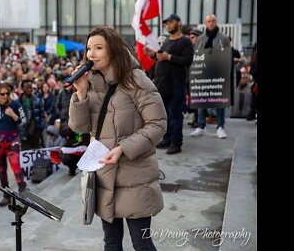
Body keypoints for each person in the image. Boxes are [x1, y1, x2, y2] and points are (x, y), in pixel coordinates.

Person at [68, 26, 167, 251]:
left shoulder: (136, 80)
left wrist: (123, 148)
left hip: (135, 175)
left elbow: (158, 124)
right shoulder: (91, 84)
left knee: (141, 242)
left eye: (99, 48)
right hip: (104, 176)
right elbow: (79, 128)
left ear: (113, 51)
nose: (91, 54)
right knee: (111, 242)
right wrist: (81, 93)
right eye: (88, 48)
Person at [144, 14, 194, 154]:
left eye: (171, 22)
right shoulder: (166, 41)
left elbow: (187, 61)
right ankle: (167, 138)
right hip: (163, 83)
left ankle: (176, 142)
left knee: (175, 113)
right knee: (164, 113)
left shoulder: (185, 41)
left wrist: (169, 57)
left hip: (176, 83)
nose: (168, 25)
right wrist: (153, 55)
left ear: (179, 23)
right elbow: (162, 58)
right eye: (166, 23)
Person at [0, 84, 28, 207]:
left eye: (7, 93)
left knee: (16, 165)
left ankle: (23, 192)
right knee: (1, 169)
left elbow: (24, 122)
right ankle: (6, 194)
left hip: (13, 139)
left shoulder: (15, 104)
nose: (5, 96)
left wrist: (13, 115)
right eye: (2, 94)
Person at [190, 14, 231, 139]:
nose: (211, 23)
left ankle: (220, 127)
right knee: (202, 100)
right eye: (209, 21)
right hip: (203, 74)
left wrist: (226, 72)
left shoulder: (223, 38)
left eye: (213, 21)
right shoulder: (200, 39)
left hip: (219, 73)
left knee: (219, 101)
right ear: (205, 23)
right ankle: (201, 126)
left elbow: (228, 56)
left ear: (216, 22)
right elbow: (195, 56)